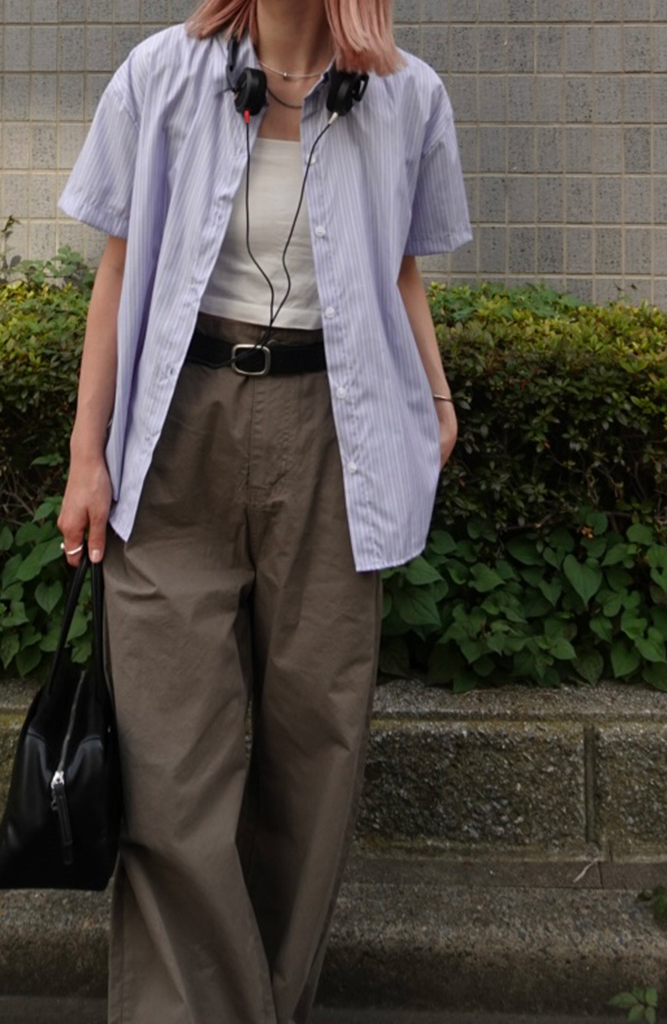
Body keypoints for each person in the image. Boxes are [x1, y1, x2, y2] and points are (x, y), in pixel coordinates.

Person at [56, 0, 472, 1021]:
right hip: (177, 431)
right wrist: (86, 455)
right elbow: (118, 269)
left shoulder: (408, 97)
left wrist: (438, 398)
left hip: (336, 432)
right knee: (167, 765)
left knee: (315, 752)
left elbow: (401, 269)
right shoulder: (161, 76)